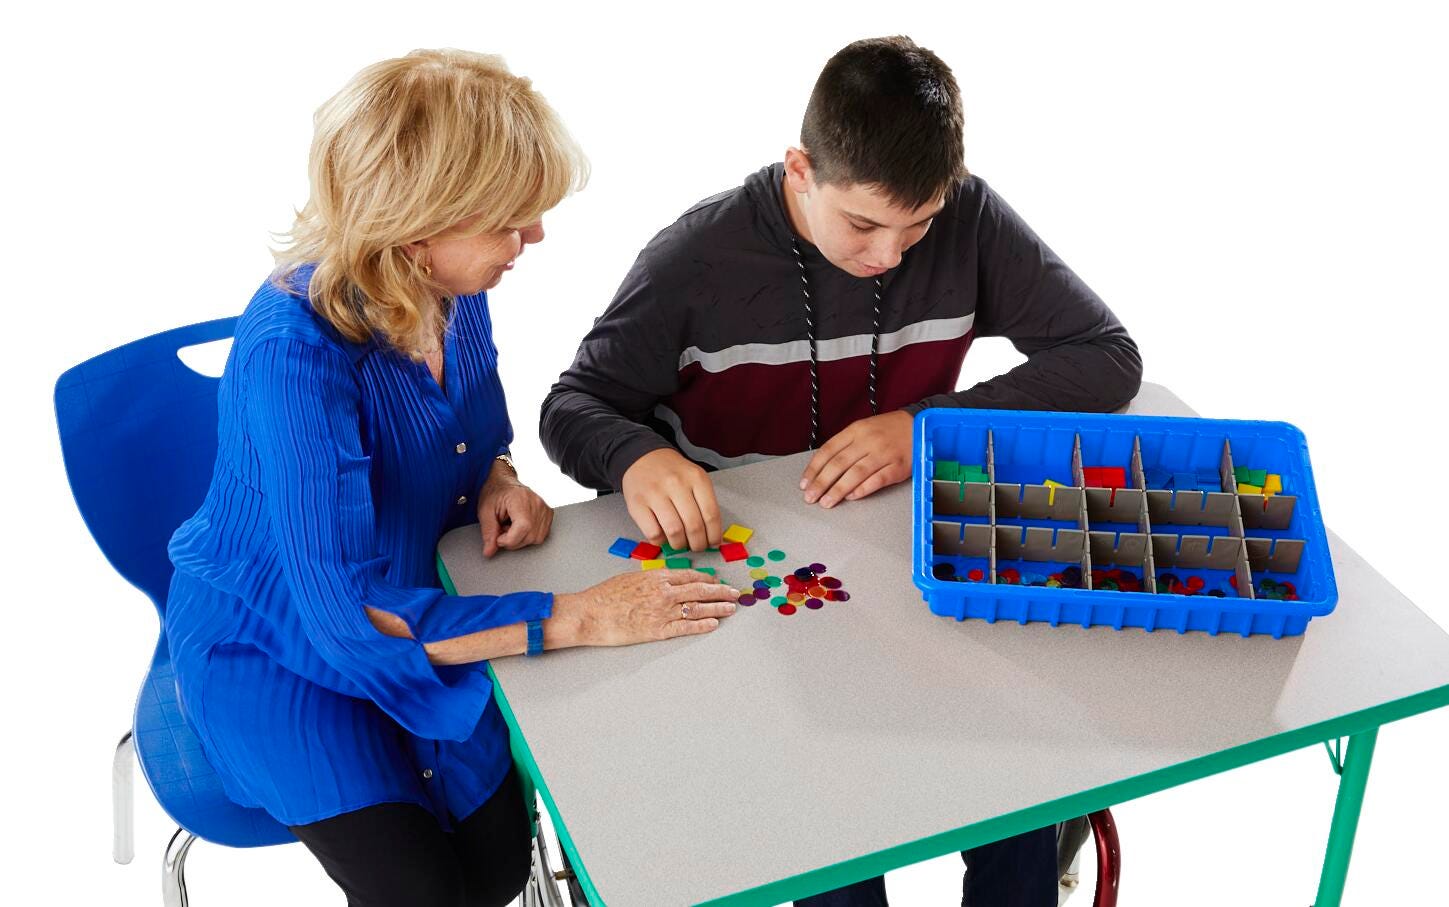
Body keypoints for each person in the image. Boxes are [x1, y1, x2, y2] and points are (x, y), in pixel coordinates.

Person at [540, 36, 1142, 907]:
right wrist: (636, 455)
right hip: (750, 578)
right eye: (862, 224)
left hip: (904, 554)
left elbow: (1104, 355)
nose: (890, 254)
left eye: (918, 223)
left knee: (1015, 771)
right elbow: (574, 405)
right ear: (801, 170)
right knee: (833, 839)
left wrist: (922, 426)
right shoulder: (695, 258)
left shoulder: (971, 218)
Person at [165, 49, 740, 907]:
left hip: (427, 588)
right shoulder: (292, 352)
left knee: (498, 867)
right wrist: (580, 615)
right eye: (508, 219)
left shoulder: (451, 286)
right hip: (279, 638)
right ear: (416, 225)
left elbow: (469, 427)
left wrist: (499, 474)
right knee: (422, 893)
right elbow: (348, 619)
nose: (532, 235)